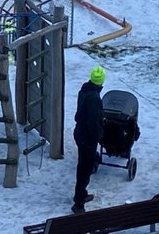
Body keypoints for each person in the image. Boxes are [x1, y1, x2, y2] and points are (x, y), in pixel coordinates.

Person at [72, 66, 106, 213]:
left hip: (80, 133)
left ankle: (82, 194)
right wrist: (98, 135)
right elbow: (92, 121)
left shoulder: (84, 91)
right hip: (87, 137)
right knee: (85, 168)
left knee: (84, 165)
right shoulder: (94, 98)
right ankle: (78, 203)